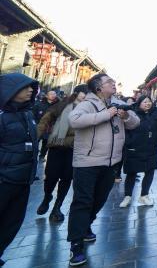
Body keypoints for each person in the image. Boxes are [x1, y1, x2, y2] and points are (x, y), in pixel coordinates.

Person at [67, 74, 140, 267]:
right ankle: (76, 245)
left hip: (111, 162)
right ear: (98, 87)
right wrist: (105, 115)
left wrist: (125, 116)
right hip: (87, 162)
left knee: (99, 199)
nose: (113, 84)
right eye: (109, 82)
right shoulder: (87, 104)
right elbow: (74, 120)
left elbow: (135, 123)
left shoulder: (119, 104)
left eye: (114, 82)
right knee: (82, 202)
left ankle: (86, 226)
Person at [0, 73, 39, 267]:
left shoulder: (28, 114)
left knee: (12, 223)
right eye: (26, 87)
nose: (31, 90)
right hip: (4, 180)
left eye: (32, 86)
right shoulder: (2, 116)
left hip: (23, 180)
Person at [36, 84, 89, 223]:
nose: (86, 95)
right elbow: (45, 120)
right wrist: (36, 137)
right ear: (77, 93)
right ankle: (47, 197)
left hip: (75, 148)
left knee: (66, 178)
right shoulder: (62, 105)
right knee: (51, 177)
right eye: (85, 92)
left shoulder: (89, 109)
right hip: (57, 146)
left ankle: (57, 207)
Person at [119, 95, 157, 208]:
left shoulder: (156, 114)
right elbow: (125, 128)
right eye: (145, 102)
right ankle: (127, 196)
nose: (147, 104)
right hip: (134, 148)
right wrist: (129, 141)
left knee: (150, 171)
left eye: (149, 101)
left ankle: (144, 196)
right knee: (131, 172)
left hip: (151, 147)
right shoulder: (133, 113)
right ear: (139, 103)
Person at [112, 96, 134, 183]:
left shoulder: (132, 112)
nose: (130, 103)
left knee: (122, 157)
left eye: (131, 102)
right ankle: (115, 173)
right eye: (128, 102)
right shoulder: (118, 110)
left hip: (128, 139)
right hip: (119, 137)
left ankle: (118, 173)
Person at [33, 89, 58, 161]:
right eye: (51, 94)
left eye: (54, 94)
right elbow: (34, 115)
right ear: (47, 96)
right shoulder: (39, 104)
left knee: (46, 143)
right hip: (39, 126)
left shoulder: (58, 105)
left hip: (50, 127)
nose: (53, 95)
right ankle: (33, 155)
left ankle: (42, 156)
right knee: (36, 141)